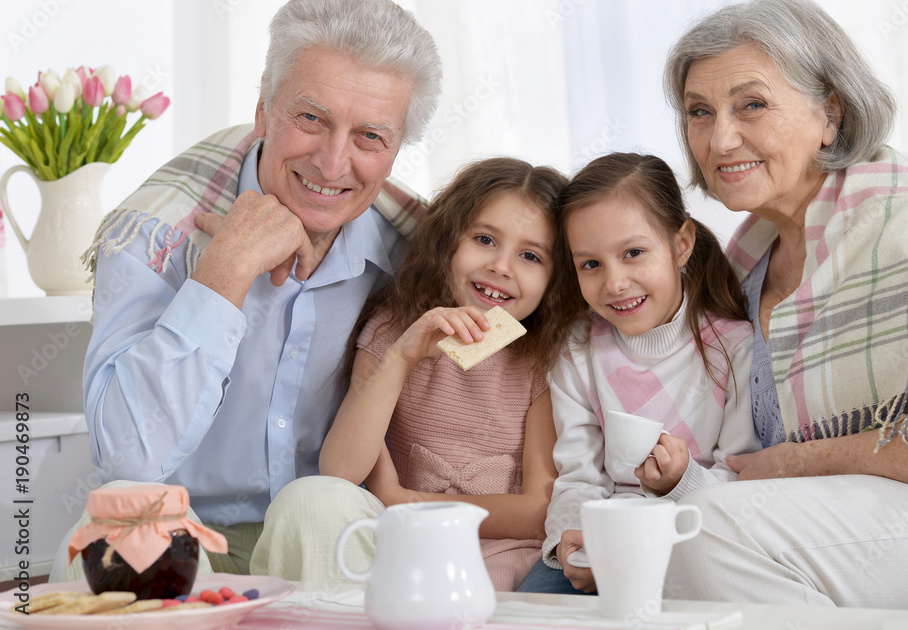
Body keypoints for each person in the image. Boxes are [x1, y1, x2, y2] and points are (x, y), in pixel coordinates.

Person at [59, 0, 442, 579]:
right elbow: (128, 457)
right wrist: (223, 274)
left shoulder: (415, 249)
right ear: (264, 110)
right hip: (182, 528)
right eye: (310, 118)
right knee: (116, 532)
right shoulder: (156, 232)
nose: (333, 163)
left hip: (326, 538)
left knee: (320, 504)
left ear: (396, 150)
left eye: (369, 137)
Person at [661, 0, 908, 609]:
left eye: (752, 104)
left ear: (830, 113)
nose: (721, 137)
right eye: (699, 112)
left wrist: (797, 464)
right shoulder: (741, 262)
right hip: (823, 513)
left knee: (703, 527)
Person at [255, 157, 573, 590]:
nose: (502, 266)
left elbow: (539, 511)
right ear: (447, 243)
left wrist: (408, 502)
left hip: (496, 556)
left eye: (530, 255)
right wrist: (402, 357)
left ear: (555, 279)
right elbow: (340, 470)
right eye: (484, 239)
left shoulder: (541, 360)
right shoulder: (392, 330)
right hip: (393, 546)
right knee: (307, 498)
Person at [518, 152, 761, 594]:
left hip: (692, 537)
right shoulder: (578, 349)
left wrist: (679, 481)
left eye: (633, 253)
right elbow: (579, 476)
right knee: (532, 612)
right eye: (591, 264)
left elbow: (739, 479)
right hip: (604, 538)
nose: (614, 283)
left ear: (681, 244)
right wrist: (570, 544)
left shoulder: (734, 348)